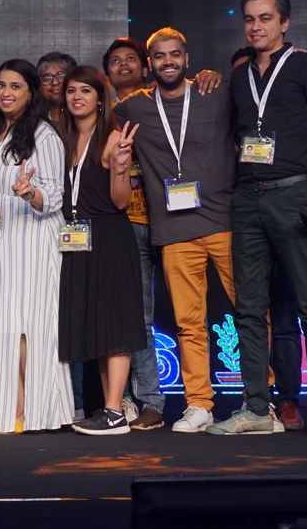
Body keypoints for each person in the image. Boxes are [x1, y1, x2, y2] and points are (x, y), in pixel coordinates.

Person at [214, 0, 307, 439]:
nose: (256, 27)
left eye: (265, 18)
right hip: (248, 198)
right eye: (249, 19)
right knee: (249, 308)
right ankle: (255, 407)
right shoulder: (238, 76)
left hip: (294, 193)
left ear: (284, 23)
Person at [114, 28, 237, 435]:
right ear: (149, 64)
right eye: (160, 56)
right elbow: (104, 143)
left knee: (251, 313)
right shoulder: (133, 107)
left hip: (223, 222)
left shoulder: (214, 92)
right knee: (189, 322)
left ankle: (261, 399)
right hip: (174, 230)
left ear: (187, 58)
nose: (168, 62)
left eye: (175, 55)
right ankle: (199, 404)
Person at [0, 59, 71, 433]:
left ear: (31, 93)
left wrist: (30, 193)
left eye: (15, 86)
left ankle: (27, 407)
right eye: (2, 86)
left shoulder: (44, 135)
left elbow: (54, 196)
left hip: (31, 242)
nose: (6, 93)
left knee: (27, 323)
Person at [58, 66, 142, 436]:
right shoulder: (63, 139)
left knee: (115, 324)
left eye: (85, 91)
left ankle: (114, 410)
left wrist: (120, 167)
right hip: (76, 240)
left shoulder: (113, 137)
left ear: (99, 98)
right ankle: (108, 408)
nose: (77, 97)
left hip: (109, 237)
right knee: (97, 326)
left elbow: (121, 202)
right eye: (71, 91)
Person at [102, 36, 162, 429]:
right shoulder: (103, 114)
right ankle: (130, 399)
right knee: (126, 316)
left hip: (167, 220)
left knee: (163, 316)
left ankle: (160, 401)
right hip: (119, 223)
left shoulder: (163, 104)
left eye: (130, 59)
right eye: (115, 61)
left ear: (145, 66)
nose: (123, 65)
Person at [37, 51, 76, 132]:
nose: (55, 82)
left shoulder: (83, 116)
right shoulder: (33, 118)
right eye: (47, 78)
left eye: (61, 76)